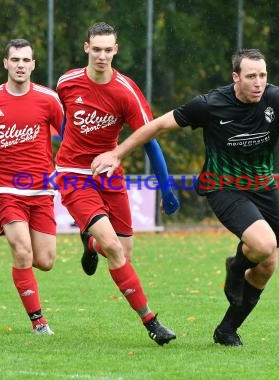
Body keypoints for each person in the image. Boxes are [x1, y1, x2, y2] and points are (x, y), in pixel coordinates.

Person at [91, 48, 279, 347]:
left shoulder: (278, 99)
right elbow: (159, 125)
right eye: (251, 76)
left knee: (267, 264)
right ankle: (237, 267)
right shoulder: (212, 104)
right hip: (223, 186)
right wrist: (116, 152)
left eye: (263, 76)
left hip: (263, 188)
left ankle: (227, 329)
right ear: (235, 77)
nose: (258, 83)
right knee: (263, 244)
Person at [54, 22, 178, 346]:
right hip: (72, 173)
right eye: (97, 49)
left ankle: (89, 242)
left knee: (122, 252)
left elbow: (150, 140)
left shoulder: (126, 91)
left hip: (109, 175)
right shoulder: (66, 83)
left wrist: (166, 187)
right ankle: (151, 322)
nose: (102, 56)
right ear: (86, 48)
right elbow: (67, 119)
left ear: (116, 50)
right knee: (113, 247)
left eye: (108, 50)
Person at [0, 39, 64, 335]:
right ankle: (38, 322)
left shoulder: (49, 99)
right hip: (2, 185)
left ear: (33, 65)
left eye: (25, 60)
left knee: (45, 261)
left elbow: (70, 136)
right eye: (15, 59)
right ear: (5, 63)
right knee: (22, 251)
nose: (20, 65)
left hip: (41, 187)